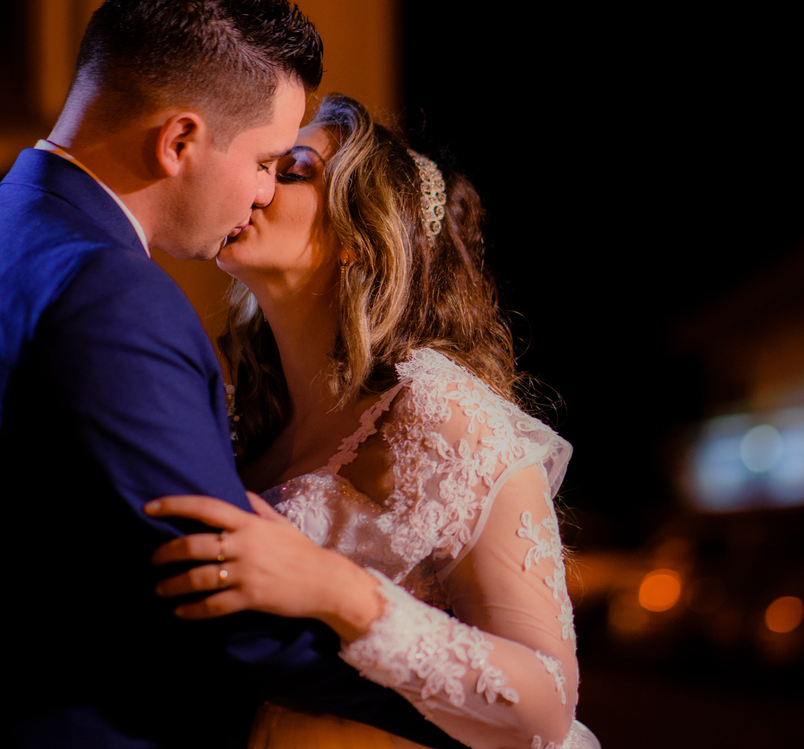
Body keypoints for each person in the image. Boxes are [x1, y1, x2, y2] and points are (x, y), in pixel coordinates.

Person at [0, 0, 464, 749]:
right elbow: (223, 603)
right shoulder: (108, 295)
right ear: (182, 140)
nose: (264, 192)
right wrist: (468, 710)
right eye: (265, 162)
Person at [144, 94, 601, 749]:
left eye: (293, 169)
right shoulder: (249, 410)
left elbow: (545, 704)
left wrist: (334, 588)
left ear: (361, 237)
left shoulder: (441, 413)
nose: (256, 181)